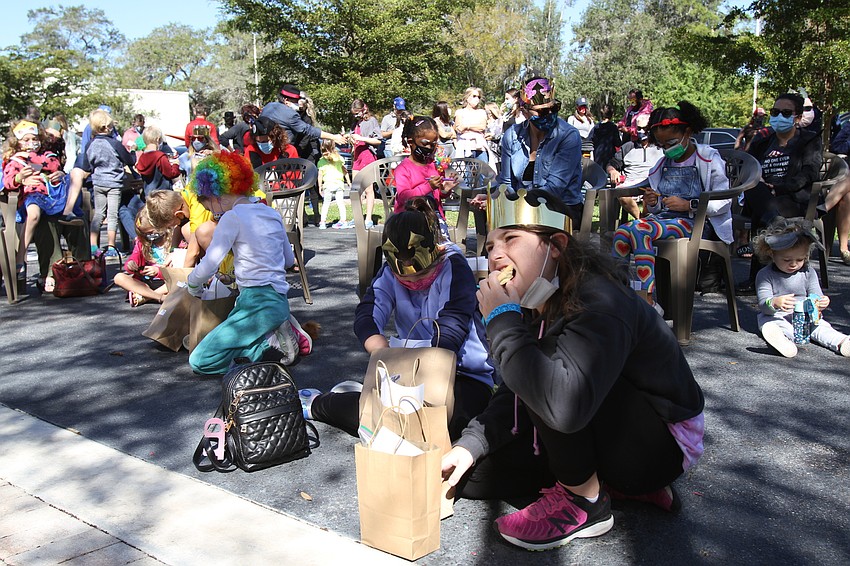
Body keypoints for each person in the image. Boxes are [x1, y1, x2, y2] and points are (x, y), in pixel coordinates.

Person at [440, 189, 704, 551]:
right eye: (489, 247)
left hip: (658, 447)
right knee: (473, 480)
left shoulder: (600, 300)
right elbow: (517, 388)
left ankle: (585, 502)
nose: (496, 254)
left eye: (511, 239)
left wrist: (502, 320)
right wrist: (471, 445)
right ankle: (614, 486)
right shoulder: (539, 298)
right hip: (602, 427)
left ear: (556, 246)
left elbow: (560, 401)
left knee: (545, 371)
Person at [302, 198, 495, 441]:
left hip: (464, 375)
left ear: (437, 250)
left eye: (422, 275)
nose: (413, 283)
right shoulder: (389, 273)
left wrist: (427, 365)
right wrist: (379, 348)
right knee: (391, 422)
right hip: (406, 372)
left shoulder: (454, 266)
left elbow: (453, 322)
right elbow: (367, 313)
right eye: (404, 280)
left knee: (441, 426)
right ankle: (320, 403)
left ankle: (355, 399)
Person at [184, 152, 306, 375]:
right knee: (225, 340)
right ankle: (279, 332)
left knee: (200, 361)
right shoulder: (271, 213)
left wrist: (192, 284)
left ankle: (270, 346)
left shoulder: (232, 217)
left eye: (210, 208)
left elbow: (211, 261)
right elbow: (289, 260)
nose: (213, 214)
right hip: (278, 301)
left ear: (216, 196)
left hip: (255, 302)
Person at [612, 102, 731, 311]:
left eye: (672, 142)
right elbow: (660, 204)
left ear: (688, 132)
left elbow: (724, 201)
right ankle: (620, 296)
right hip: (666, 221)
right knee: (622, 232)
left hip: (698, 223)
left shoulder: (708, 158)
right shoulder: (662, 164)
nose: (667, 148)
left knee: (640, 230)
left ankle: (646, 300)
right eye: (662, 145)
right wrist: (654, 202)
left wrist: (690, 205)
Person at [736, 93, 823, 294]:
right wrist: (764, 184)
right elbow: (749, 168)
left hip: (793, 198)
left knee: (765, 208)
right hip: (762, 196)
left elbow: (810, 172)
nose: (779, 116)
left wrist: (780, 188)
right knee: (754, 188)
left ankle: (757, 279)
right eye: (775, 112)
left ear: (798, 117)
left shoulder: (809, 140)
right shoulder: (763, 142)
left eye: (785, 112)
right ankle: (775, 222)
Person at [485, 76, 583, 227]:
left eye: (553, 108)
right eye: (541, 111)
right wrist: (492, 198)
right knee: (497, 227)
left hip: (561, 210)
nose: (549, 114)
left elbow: (554, 188)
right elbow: (506, 183)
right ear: (524, 110)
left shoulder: (568, 135)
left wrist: (517, 205)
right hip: (521, 210)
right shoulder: (511, 136)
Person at [753, 217, 850, 358]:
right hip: (778, 315)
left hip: (806, 315)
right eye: (787, 260)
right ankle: (783, 341)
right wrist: (774, 303)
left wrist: (821, 302)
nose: (793, 264)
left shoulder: (808, 272)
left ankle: (842, 342)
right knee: (772, 324)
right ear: (771, 254)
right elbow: (763, 304)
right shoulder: (765, 274)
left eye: (800, 259)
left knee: (822, 328)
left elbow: (815, 295)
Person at [2, 119, 77, 290]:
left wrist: (58, 174)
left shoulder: (46, 156)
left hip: (52, 199)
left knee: (67, 221)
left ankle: (66, 272)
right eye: (26, 140)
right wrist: (19, 178)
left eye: (34, 139)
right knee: (35, 214)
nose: (31, 144)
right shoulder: (16, 160)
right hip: (31, 196)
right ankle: (21, 257)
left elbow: (56, 167)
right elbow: (7, 181)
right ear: (17, 141)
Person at [392, 117, 459, 233]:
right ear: (411, 142)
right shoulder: (403, 169)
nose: (429, 148)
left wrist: (444, 191)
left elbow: (437, 196)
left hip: (434, 219)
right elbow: (404, 196)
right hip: (408, 222)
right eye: (425, 143)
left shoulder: (434, 165)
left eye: (433, 144)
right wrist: (428, 186)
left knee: (448, 249)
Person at [84, 108, 137, 255]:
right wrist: (132, 150)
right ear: (106, 127)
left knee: (99, 213)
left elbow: (86, 165)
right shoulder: (114, 144)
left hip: (98, 182)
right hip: (114, 183)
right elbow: (129, 161)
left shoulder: (90, 145)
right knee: (112, 214)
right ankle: (112, 246)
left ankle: (93, 245)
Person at [606, 115, 664, 219]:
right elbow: (611, 164)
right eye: (639, 128)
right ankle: (641, 219)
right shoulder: (628, 147)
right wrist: (612, 171)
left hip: (652, 183)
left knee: (650, 193)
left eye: (644, 128)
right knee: (621, 193)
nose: (642, 131)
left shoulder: (660, 147)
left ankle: (645, 219)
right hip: (631, 185)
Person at [113, 207, 173, 307]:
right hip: (147, 282)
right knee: (119, 277)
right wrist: (132, 264)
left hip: (166, 282)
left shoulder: (172, 240)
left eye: (151, 232)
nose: (149, 236)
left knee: (181, 280)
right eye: (145, 234)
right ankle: (159, 297)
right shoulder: (143, 242)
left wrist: (158, 271)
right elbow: (134, 257)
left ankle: (147, 297)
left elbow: (177, 269)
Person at [260, 84, 345, 150]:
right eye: (296, 101)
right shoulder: (290, 114)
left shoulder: (268, 106)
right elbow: (308, 130)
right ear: (286, 100)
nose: (297, 103)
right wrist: (333, 137)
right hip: (282, 153)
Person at [348, 99, 383, 228]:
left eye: (357, 112)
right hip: (357, 156)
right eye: (354, 113)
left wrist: (362, 138)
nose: (356, 115)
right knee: (356, 189)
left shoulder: (371, 121)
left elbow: (379, 140)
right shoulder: (355, 123)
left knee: (368, 189)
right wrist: (350, 138)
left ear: (364, 109)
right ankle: (357, 217)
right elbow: (354, 137)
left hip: (368, 155)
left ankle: (368, 219)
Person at [316, 139, 351, 229]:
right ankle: (343, 221)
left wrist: (320, 186)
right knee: (340, 203)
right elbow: (345, 171)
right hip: (339, 183)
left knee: (326, 203)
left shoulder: (321, 161)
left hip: (328, 184)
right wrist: (349, 182)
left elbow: (320, 175)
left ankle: (323, 222)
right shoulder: (339, 159)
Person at [453, 87, 489, 160]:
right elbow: (459, 128)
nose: (477, 99)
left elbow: (482, 127)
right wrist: (475, 127)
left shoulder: (482, 112)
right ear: (467, 97)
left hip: (480, 147)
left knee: (483, 170)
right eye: (474, 96)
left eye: (478, 97)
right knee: (464, 170)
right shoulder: (460, 112)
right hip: (464, 146)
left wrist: (467, 126)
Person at [592, 104, 619, 170]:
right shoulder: (613, 127)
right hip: (609, 156)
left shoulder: (596, 127)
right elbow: (617, 142)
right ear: (611, 115)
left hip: (598, 155)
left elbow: (591, 140)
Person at [484, 102, 503, 172]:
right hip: (484, 151)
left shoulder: (498, 121)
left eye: (486, 109)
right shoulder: (484, 122)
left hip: (495, 153)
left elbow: (498, 134)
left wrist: (491, 135)